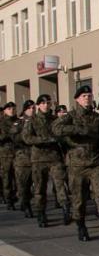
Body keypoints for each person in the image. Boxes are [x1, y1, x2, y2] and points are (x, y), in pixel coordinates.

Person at [52, 86, 99, 241]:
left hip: (96, 162)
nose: (87, 98)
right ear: (77, 99)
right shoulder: (71, 116)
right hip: (77, 165)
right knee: (79, 199)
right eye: (83, 96)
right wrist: (76, 129)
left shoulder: (97, 117)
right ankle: (81, 227)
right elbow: (56, 128)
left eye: (89, 95)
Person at [22, 95, 70, 227]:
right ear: (38, 105)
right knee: (39, 188)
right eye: (42, 103)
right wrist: (43, 140)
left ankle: (66, 209)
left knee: (60, 185)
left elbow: (62, 135)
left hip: (54, 157)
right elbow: (26, 138)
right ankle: (41, 213)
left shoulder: (55, 119)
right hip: (38, 159)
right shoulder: (32, 120)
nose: (45, 105)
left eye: (47, 103)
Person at [12, 100, 35, 218]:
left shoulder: (37, 121)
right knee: (23, 184)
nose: (32, 110)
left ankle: (29, 203)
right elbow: (14, 138)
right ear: (25, 109)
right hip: (23, 158)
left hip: (36, 158)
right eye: (30, 108)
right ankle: (26, 205)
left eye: (33, 107)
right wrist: (27, 137)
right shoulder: (19, 122)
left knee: (36, 183)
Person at [0, 102, 17, 209]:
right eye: (9, 108)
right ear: (5, 111)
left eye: (13, 108)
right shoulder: (1, 122)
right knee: (7, 177)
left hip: (18, 153)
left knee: (19, 178)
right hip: (5, 154)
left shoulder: (18, 121)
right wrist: (10, 132)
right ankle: (8, 199)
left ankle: (18, 195)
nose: (12, 110)